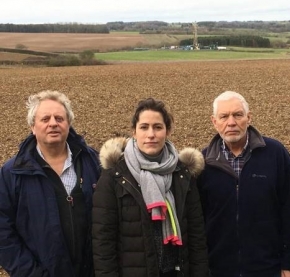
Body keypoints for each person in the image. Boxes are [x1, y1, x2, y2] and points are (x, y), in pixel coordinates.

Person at [92, 97, 209, 277]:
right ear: (134, 131)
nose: (151, 134)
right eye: (144, 127)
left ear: (167, 131)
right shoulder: (115, 176)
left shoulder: (182, 175)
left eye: (158, 127)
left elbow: (196, 237)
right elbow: (103, 241)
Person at [197, 91, 290, 277]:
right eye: (224, 116)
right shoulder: (203, 163)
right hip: (218, 269)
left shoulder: (275, 154)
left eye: (238, 115)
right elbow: (197, 221)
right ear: (214, 122)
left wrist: (288, 263)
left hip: (267, 268)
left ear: (248, 117)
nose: (231, 122)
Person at [0, 90, 101, 277]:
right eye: (45, 119)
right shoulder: (12, 173)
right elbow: (3, 232)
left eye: (59, 118)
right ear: (33, 126)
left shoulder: (93, 162)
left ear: (68, 124)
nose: (53, 123)